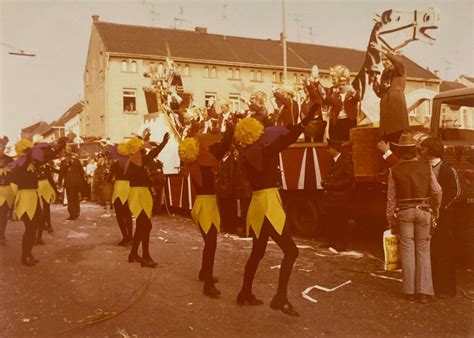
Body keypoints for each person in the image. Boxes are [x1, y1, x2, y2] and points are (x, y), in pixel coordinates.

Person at [235, 103, 319, 317]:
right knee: (292, 251)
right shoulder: (262, 152)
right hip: (268, 204)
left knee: (257, 252)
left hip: (256, 205)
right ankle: (280, 297)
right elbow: (287, 140)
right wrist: (307, 116)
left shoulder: (245, 154)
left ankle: (245, 292)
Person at [386, 132, 442, 304]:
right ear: (415, 150)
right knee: (423, 251)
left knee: (407, 251)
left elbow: (391, 198)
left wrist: (390, 219)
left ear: (399, 152)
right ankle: (424, 292)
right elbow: (437, 191)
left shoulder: (394, 170)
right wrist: (436, 209)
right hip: (424, 210)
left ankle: (409, 291)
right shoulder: (426, 167)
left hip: (404, 212)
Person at [179, 125, 233, 298]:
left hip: (201, 205)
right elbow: (222, 147)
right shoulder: (203, 160)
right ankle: (208, 284)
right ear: (202, 148)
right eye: (207, 146)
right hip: (206, 207)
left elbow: (219, 149)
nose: (210, 148)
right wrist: (230, 130)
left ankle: (204, 273)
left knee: (209, 243)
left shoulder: (194, 162)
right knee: (211, 244)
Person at [10, 138, 65, 266]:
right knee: (30, 228)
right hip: (26, 198)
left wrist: (57, 149)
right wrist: (57, 149)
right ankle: (26, 256)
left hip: (32, 197)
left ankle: (28, 254)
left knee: (34, 226)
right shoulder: (21, 164)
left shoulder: (29, 163)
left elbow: (45, 158)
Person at [419, 137, 459, 298]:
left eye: (422, 149)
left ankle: (446, 289)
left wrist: (438, 209)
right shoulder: (424, 167)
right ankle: (433, 286)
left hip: (441, 218)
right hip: (427, 215)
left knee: (442, 252)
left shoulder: (446, 169)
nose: (420, 151)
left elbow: (454, 192)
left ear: (429, 150)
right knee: (431, 252)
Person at [126, 133, 169, 268]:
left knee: (142, 224)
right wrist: (162, 144)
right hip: (138, 195)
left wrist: (161, 144)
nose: (144, 152)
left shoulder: (136, 161)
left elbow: (150, 156)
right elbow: (151, 155)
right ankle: (145, 256)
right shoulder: (134, 160)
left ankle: (133, 254)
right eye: (142, 149)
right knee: (146, 225)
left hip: (141, 193)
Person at [320, 138, 354, 251]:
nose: (327, 151)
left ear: (334, 149)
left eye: (328, 148)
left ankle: (341, 244)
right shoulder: (334, 160)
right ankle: (331, 242)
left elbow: (349, 178)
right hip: (332, 196)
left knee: (340, 221)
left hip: (340, 195)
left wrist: (333, 185)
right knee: (331, 219)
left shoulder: (345, 161)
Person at [371, 42, 409, 143]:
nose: (384, 62)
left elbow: (398, 62)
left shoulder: (400, 70)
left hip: (396, 113)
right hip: (386, 114)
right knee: (386, 144)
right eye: (382, 60)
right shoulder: (385, 74)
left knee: (395, 142)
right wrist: (374, 81)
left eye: (386, 59)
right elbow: (381, 94)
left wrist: (383, 50)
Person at [326, 65, 360, 141]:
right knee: (336, 143)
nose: (341, 86)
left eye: (343, 84)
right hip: (336, 122)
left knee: (348, 143)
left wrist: (352, 91)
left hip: (348, 122)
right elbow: (327, 100)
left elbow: (358, 98)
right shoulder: (334, 93)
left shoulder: (352, 92)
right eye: (340, 85)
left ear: (348, 84)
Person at [109, 156, 133, 246]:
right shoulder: (131, 163)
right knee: (128, 214)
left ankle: (125, 237)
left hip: (119, 188)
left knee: (120, 215)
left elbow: (109, 177)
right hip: (129, 187)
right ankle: (130, 236)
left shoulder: (115, 164)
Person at [58, 150, 85, 220]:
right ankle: (77, 211)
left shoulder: (63, 162)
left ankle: (72, 214)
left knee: (70, 199)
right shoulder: (77, 160)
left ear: (65, 155)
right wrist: (82, 182)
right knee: (76, 197)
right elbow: (82, 171)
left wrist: (59, 182)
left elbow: (61, 173)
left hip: (69, 183)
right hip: (77, 182)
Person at [0, 137, 14, 245]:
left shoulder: (9, 160)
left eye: (2, 146)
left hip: (7, 190)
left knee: (3, 214)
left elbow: (15, 174)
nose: (0, 148)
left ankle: (1, 234)